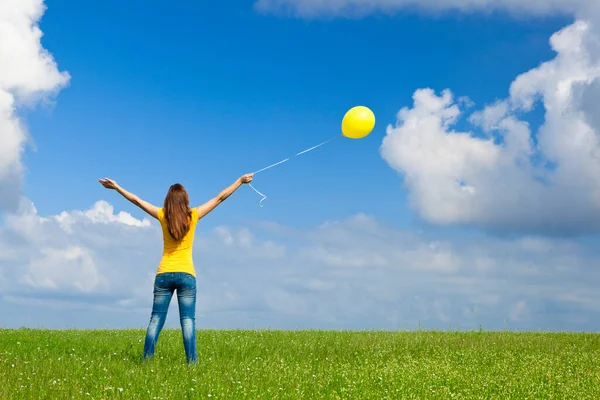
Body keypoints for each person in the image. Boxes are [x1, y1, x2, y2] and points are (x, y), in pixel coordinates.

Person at [98, 173, 254, 363]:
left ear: (168, 201)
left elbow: (137, 201)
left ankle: (146, 360)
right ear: (185, 200)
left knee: (156, 319)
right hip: (187, 274)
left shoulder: (163, 215)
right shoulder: (193, 215)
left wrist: (116, 187)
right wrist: (240, 181)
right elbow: (219, 198)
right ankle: (192, 363)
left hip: (164, 274)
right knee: (188, 321)